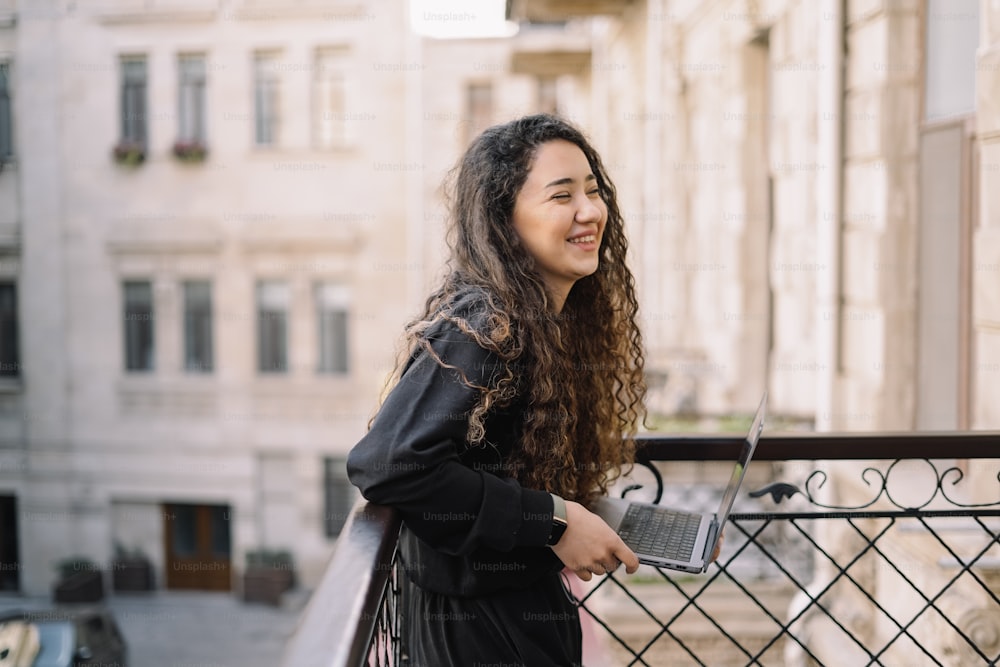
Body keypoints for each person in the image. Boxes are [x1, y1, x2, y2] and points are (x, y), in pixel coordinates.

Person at [346, 113, 647, 665]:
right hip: (475, 634)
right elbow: (387, 464)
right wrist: (553, 521)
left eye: (593, 190)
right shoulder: (486, 325)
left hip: (513, 614)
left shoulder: (541, 321)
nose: (590, 211)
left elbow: (500, 466)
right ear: (506, 222)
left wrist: (600, 517)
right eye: (562, 196)